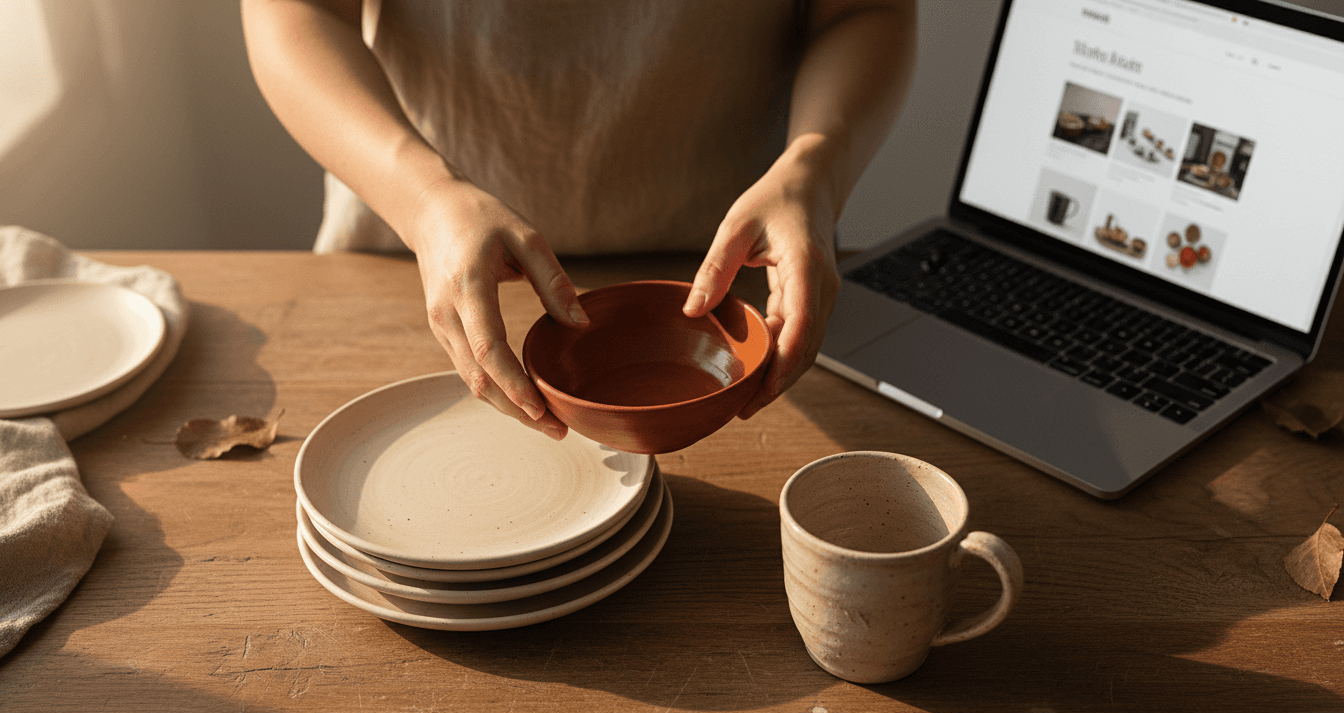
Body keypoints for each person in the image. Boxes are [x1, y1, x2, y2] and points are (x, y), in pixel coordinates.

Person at [242, 0, 916, 440]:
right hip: (419, 263)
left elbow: (863, 11)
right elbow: (292, 13)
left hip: (742, 270)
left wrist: (814, 167)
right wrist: (425, 200)